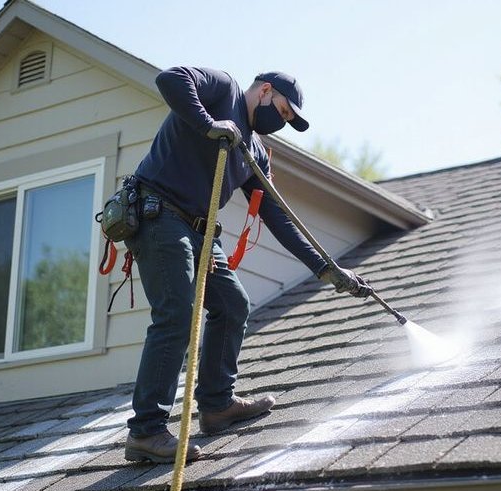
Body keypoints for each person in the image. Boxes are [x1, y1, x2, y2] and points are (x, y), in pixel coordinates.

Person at [123, 66, 368, 464]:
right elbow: (169, 80)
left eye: (288, 120)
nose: (282, 123)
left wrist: (327, 269)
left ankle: (217, 406)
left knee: (233, 304)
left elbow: (280, 219)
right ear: (266, 91)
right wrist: (209, 124)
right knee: (178, 313)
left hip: (200, 231)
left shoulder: (253, 152)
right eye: (284, 113)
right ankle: (146, 431)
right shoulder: (223, 90)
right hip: (159, 214)